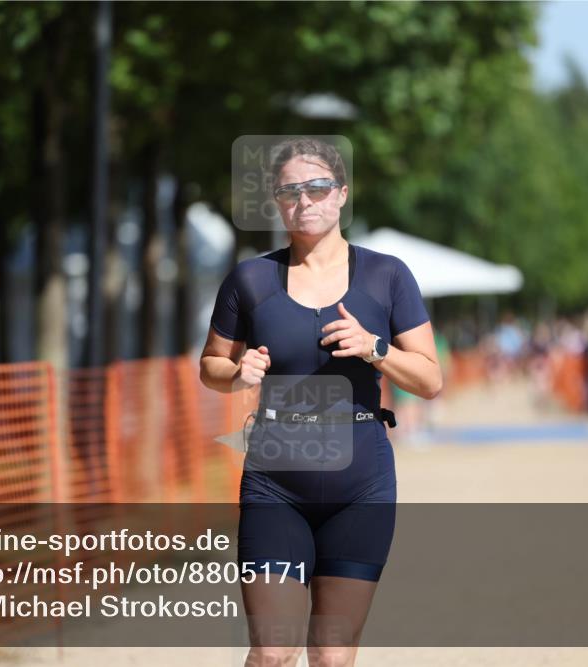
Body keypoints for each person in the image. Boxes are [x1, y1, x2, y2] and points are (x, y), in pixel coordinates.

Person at [199, 137, 442, 666]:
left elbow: (429, 379)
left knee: (332, 656)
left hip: (362, 484)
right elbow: (209, 365)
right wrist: (238, 373)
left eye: (317, 187)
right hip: (275, 482)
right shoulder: (251, 279)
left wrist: (376, 349)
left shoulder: (387, 275)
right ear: (276, 201)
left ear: (341, 195)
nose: (304, 201)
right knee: (272, 651)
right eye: (290, 191)